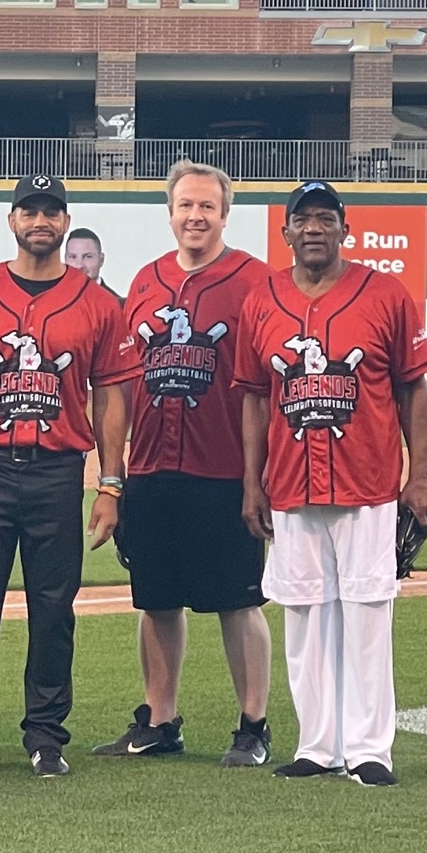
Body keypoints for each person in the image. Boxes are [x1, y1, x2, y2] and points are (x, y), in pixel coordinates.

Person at [0, 174, 131, 779]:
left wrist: (111, 483)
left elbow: (111, 396)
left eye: (52, 212)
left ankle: (46, 737)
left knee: (53, 608)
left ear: (66, 224)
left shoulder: (95, 302)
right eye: (29, 211)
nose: (41, 222)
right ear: (11, 221)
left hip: (57, 472)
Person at [237, 179, 427, 787]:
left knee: (368, 611)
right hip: (291, 487)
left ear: (345, 229)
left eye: (326, 218)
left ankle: (370, 748)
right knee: (302, 613)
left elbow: (414, 389)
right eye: (304, 219)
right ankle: (317, 744)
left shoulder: (385, 294)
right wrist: (252, 483)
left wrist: (420, 476)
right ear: (286, 233)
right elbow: (253, 399)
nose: (315, 229)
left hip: (369, 483)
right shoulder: (262, 300)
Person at [93, 161, 275, 767]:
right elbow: (119, 380)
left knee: (236, 599)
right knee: (156, 599)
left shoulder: (256, 282)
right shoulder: (145, 279)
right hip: (150, 465)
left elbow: (267, 383)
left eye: (207, 206)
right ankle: (160, 720)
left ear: (225, 213)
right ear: (169, 213)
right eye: (185, 206)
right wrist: (114, 475)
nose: (195, 216)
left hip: (223, 466)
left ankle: (253, 726)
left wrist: (261, 473)